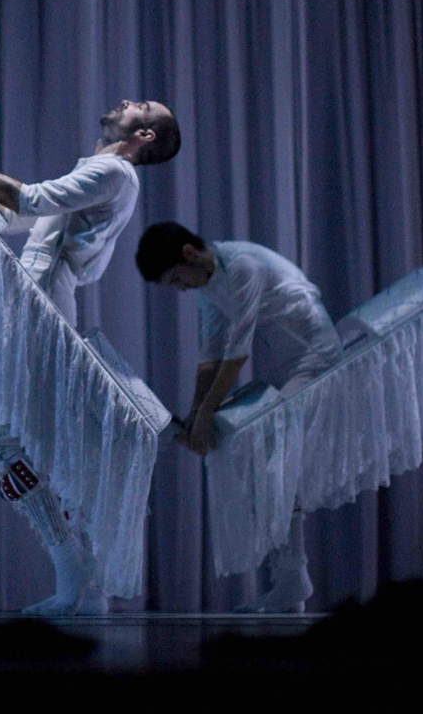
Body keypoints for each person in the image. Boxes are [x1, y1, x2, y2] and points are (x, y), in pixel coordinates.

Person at [0, 99, 180, 615]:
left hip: (41, 301)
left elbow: (30, 200)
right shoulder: (97, 170)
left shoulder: (114, 171)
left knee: (2, 439)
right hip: (32, 298)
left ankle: (76, 569)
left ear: (145, 135)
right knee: (14, 441)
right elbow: (16, 217)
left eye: (140, 106)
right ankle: (82, 575)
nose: (126, 103)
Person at [135, 221, 341, 611]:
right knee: (261, 457)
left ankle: (294, 576)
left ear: (190, 255)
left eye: (178, 280)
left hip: (315, 358)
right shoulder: (209, 286)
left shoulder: (242, 265)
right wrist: (197, 414)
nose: (181, 289)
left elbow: (237, 351)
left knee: (276, 459)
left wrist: (204, 415)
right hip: (287, 364)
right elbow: (210, 355)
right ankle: (290, 581)